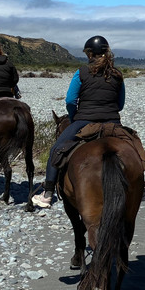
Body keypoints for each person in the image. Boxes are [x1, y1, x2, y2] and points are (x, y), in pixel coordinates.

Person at [32, 35, 125, 208]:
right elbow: (120, 104)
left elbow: (70, 100)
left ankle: (48, 193)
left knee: (57, 149)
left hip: (85, 120)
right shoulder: (117, 75)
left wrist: (74, 116)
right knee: (134, 146)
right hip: (112, 122)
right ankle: (141, 185)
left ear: (90, 54)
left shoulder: (81, 72)